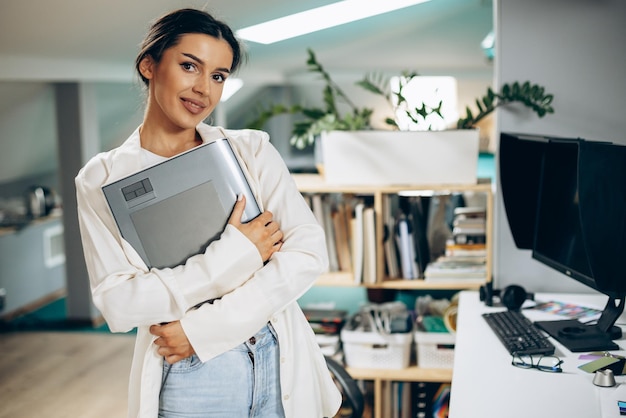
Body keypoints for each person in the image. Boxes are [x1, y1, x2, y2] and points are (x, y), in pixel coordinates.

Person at [75, 8, 341, 418]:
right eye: (189, 66)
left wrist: (201, 329)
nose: (204, 89)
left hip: (276, 352)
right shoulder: (102, 178)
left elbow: (307, 255)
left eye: (218, 76)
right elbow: (120, 303)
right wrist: (240, 253)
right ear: (149, 65)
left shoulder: (250, 150)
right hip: (192, 372)